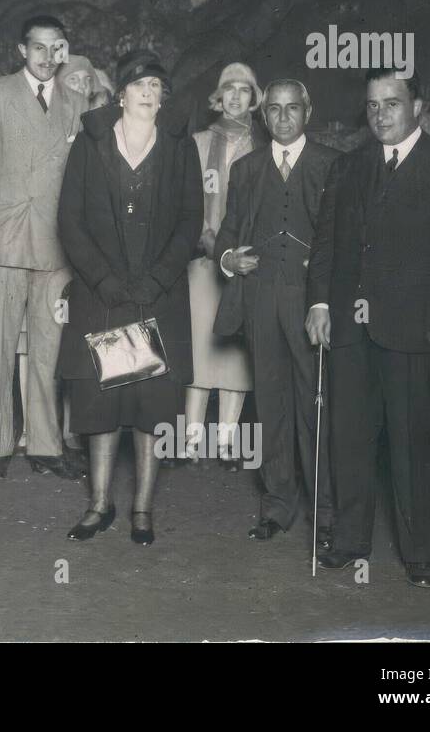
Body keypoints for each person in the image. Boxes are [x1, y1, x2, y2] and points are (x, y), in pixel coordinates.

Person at [307, 70, 430, 588]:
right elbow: (326, 243)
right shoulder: (348, 167)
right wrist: (320, 301)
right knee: (350, 439)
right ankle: (348, 541)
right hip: (349, 328)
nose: (381, 114)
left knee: (412, 443)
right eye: (372, 106)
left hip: (417, 332)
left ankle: (418, 554)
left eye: (392, 103)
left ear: (419, 107)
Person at [57, 54, 202, 545]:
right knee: (101, 399)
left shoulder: (179, 145)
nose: (147, 91)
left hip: (156, 296)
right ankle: (99, 504)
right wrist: (102, 280)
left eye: (155, 84)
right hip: (106, 296)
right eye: (138, 83)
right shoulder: (91, 141)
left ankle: (142, 508)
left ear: (163, 96)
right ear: (120, 92)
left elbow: (190, 221)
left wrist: (159, 278)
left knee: (152, 403)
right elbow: (69, 220)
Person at [213, 79, 339, 546]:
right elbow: (228, 231)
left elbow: (346, 235)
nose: (283, 117)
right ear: (263, 117)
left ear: (308, 110)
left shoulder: (332, 164)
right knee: (271, 408)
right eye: (274, 110)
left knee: (317, 407)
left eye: (292, 108)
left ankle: (325, 512)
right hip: (261, 300)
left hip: (312, 305)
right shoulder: (246, 169)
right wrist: (229, 259)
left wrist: (327, 274)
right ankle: (278, 506)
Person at [0, 15, 87, 481]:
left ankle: (44, 444)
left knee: (48, 349)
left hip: (55, 243)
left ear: (64, 50)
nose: (46, 57)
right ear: (22, 50)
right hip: (6, 235)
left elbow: (78, 182)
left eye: (56, 48)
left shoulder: (76, 103)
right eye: (37, 47)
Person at [184, 62, 260, 469]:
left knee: (235, 353)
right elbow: (187, 201)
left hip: (244, 261)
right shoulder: (198, 143)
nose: (235, 96)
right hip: (202, 255)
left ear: (254, 98)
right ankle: (192, 437)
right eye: (228, 89)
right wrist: (208, 240)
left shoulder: (264, 146)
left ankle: (228, 440)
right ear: (217, 97)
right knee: (199, 345)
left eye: (243, 90)